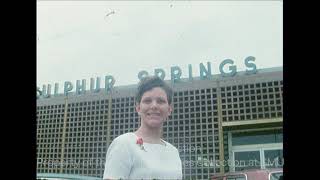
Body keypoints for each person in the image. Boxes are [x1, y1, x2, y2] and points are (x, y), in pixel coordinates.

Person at [103, 76, 183, 180]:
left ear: (169, 109)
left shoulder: (173, 152)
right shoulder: (124, 144)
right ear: (138, 108)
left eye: (160, 101)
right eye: (147, 101)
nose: (154, 106)